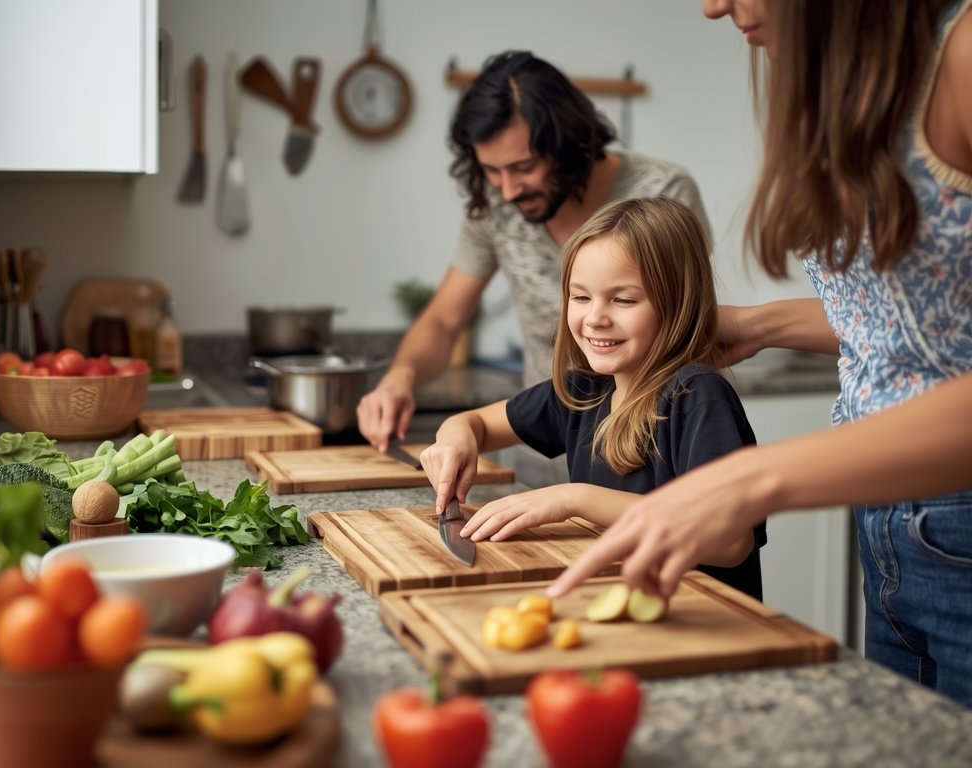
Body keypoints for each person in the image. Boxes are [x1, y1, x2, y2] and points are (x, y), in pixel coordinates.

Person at [549, 0, 972, 707]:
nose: (714, 6)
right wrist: (765, 323)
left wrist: (750, 480)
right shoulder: (854, 85)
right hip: (894, 533)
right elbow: (937, 331)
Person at [357, 50, 711, 487]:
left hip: (645, 459)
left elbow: (689, 321)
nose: (507, 190)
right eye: (491, 170)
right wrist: (399, 378)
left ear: (570, 145)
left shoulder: (663, 192)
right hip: (543, 447)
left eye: (523, 168)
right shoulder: (495, 207)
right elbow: (444, 320)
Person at [421, 197, 765, 600]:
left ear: (678, 304)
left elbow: (729, 542)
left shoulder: (697, 396)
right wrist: (456, 439)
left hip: (707, 628)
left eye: (623, 300)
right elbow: (472, 423)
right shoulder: (584, 390)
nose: (595, 317)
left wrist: (575, 499)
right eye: (581, 297)